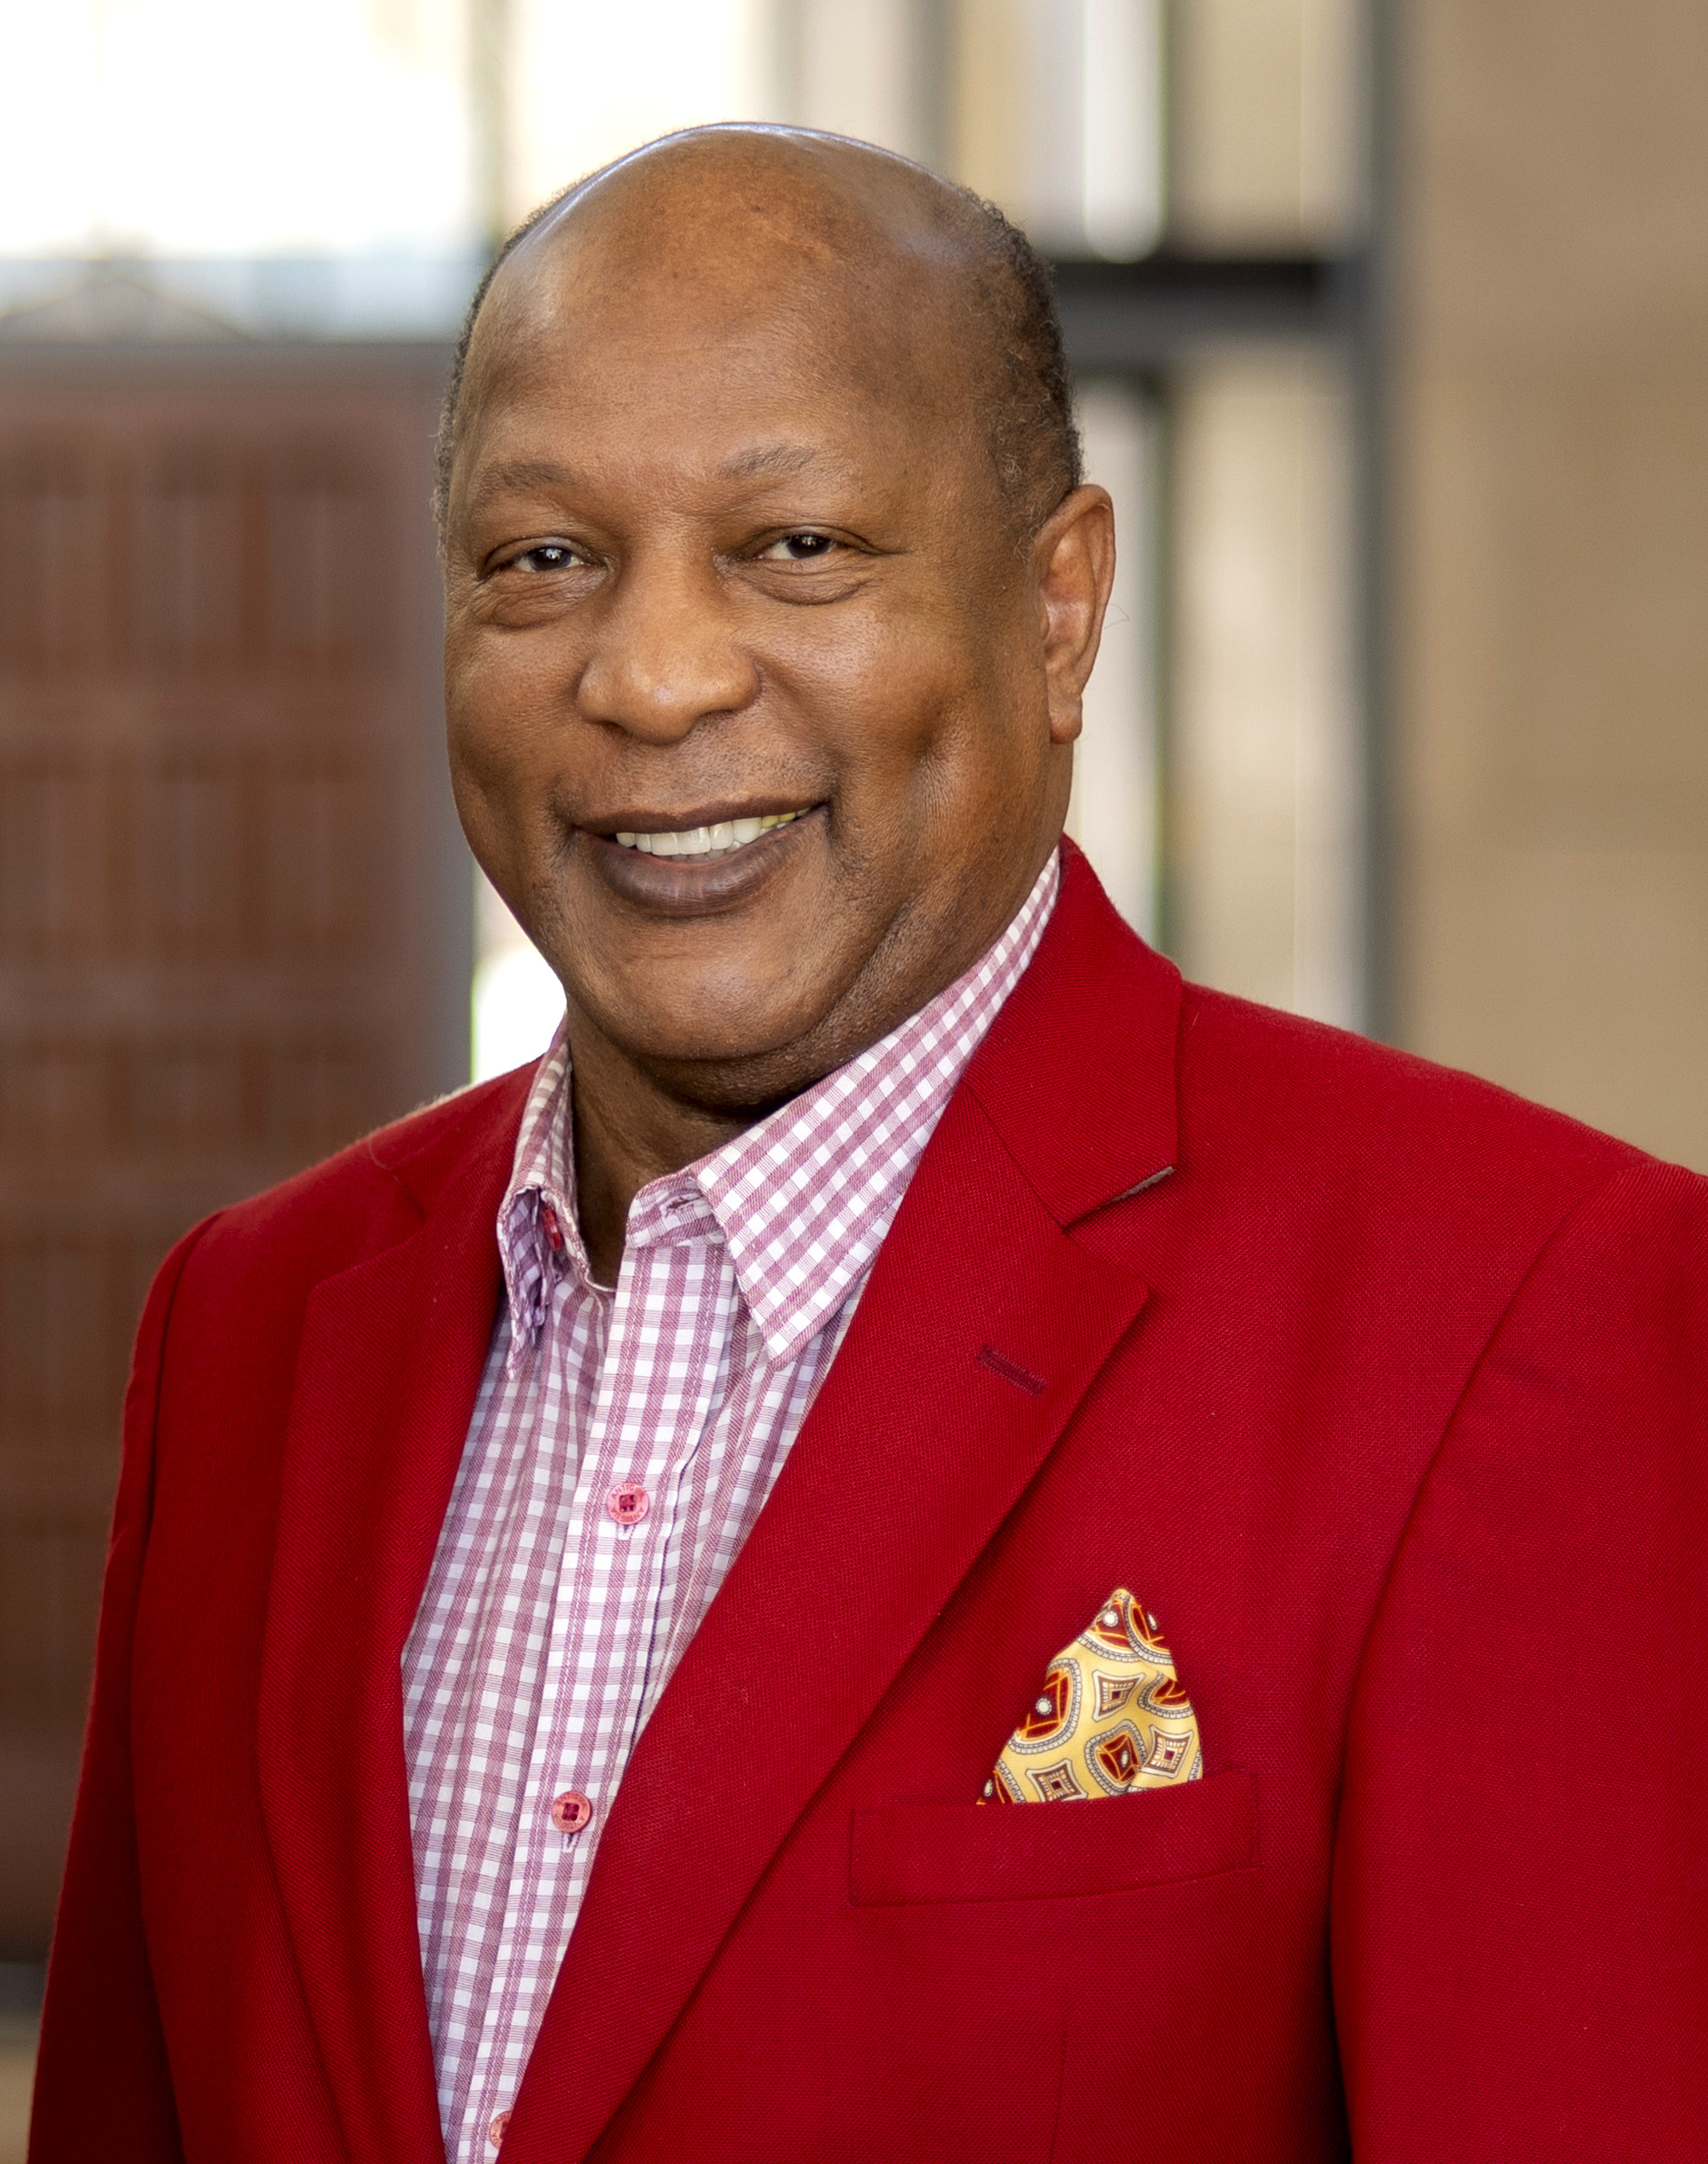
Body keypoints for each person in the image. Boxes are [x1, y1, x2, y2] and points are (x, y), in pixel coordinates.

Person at [29, 126, 1708, 2164]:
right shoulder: (251, 1328)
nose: (650, 677)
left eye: (796, 546)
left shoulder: (1519, 1322)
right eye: (541, 559)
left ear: (1062, 607)